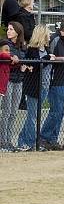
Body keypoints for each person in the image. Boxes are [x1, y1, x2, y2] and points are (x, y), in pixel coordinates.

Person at [39, 19, 64, 150]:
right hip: (55, 81)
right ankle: (43, 137)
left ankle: (53, 139)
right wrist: (63, 58)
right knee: (55, 111)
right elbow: (50, 56)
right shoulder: (55, 38)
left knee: (60, 112)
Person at [17, 25, 55, 151]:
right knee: (33, 116)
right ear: (42, 34)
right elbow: (33, 66)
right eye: (48, 33)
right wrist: (46, 59)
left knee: (35, 116)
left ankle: (23, 139)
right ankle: (31, 143)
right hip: (33, 87)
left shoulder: (47, 50)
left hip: (45, 86)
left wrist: (49, 58)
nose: (50, 35)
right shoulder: (32, 49)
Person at [0, 23, 25, 151]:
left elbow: (23, 60)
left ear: (18, 31)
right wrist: (12, 58)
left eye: (11, 29)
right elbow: (5, 57)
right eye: (8, 29)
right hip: (8, 81)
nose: (9, 31)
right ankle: (3, 140)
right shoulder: (6, 45)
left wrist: (25, 66)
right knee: (6, 111)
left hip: (19, 80)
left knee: (14, 112)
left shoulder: (22, 46)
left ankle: (9, 139)